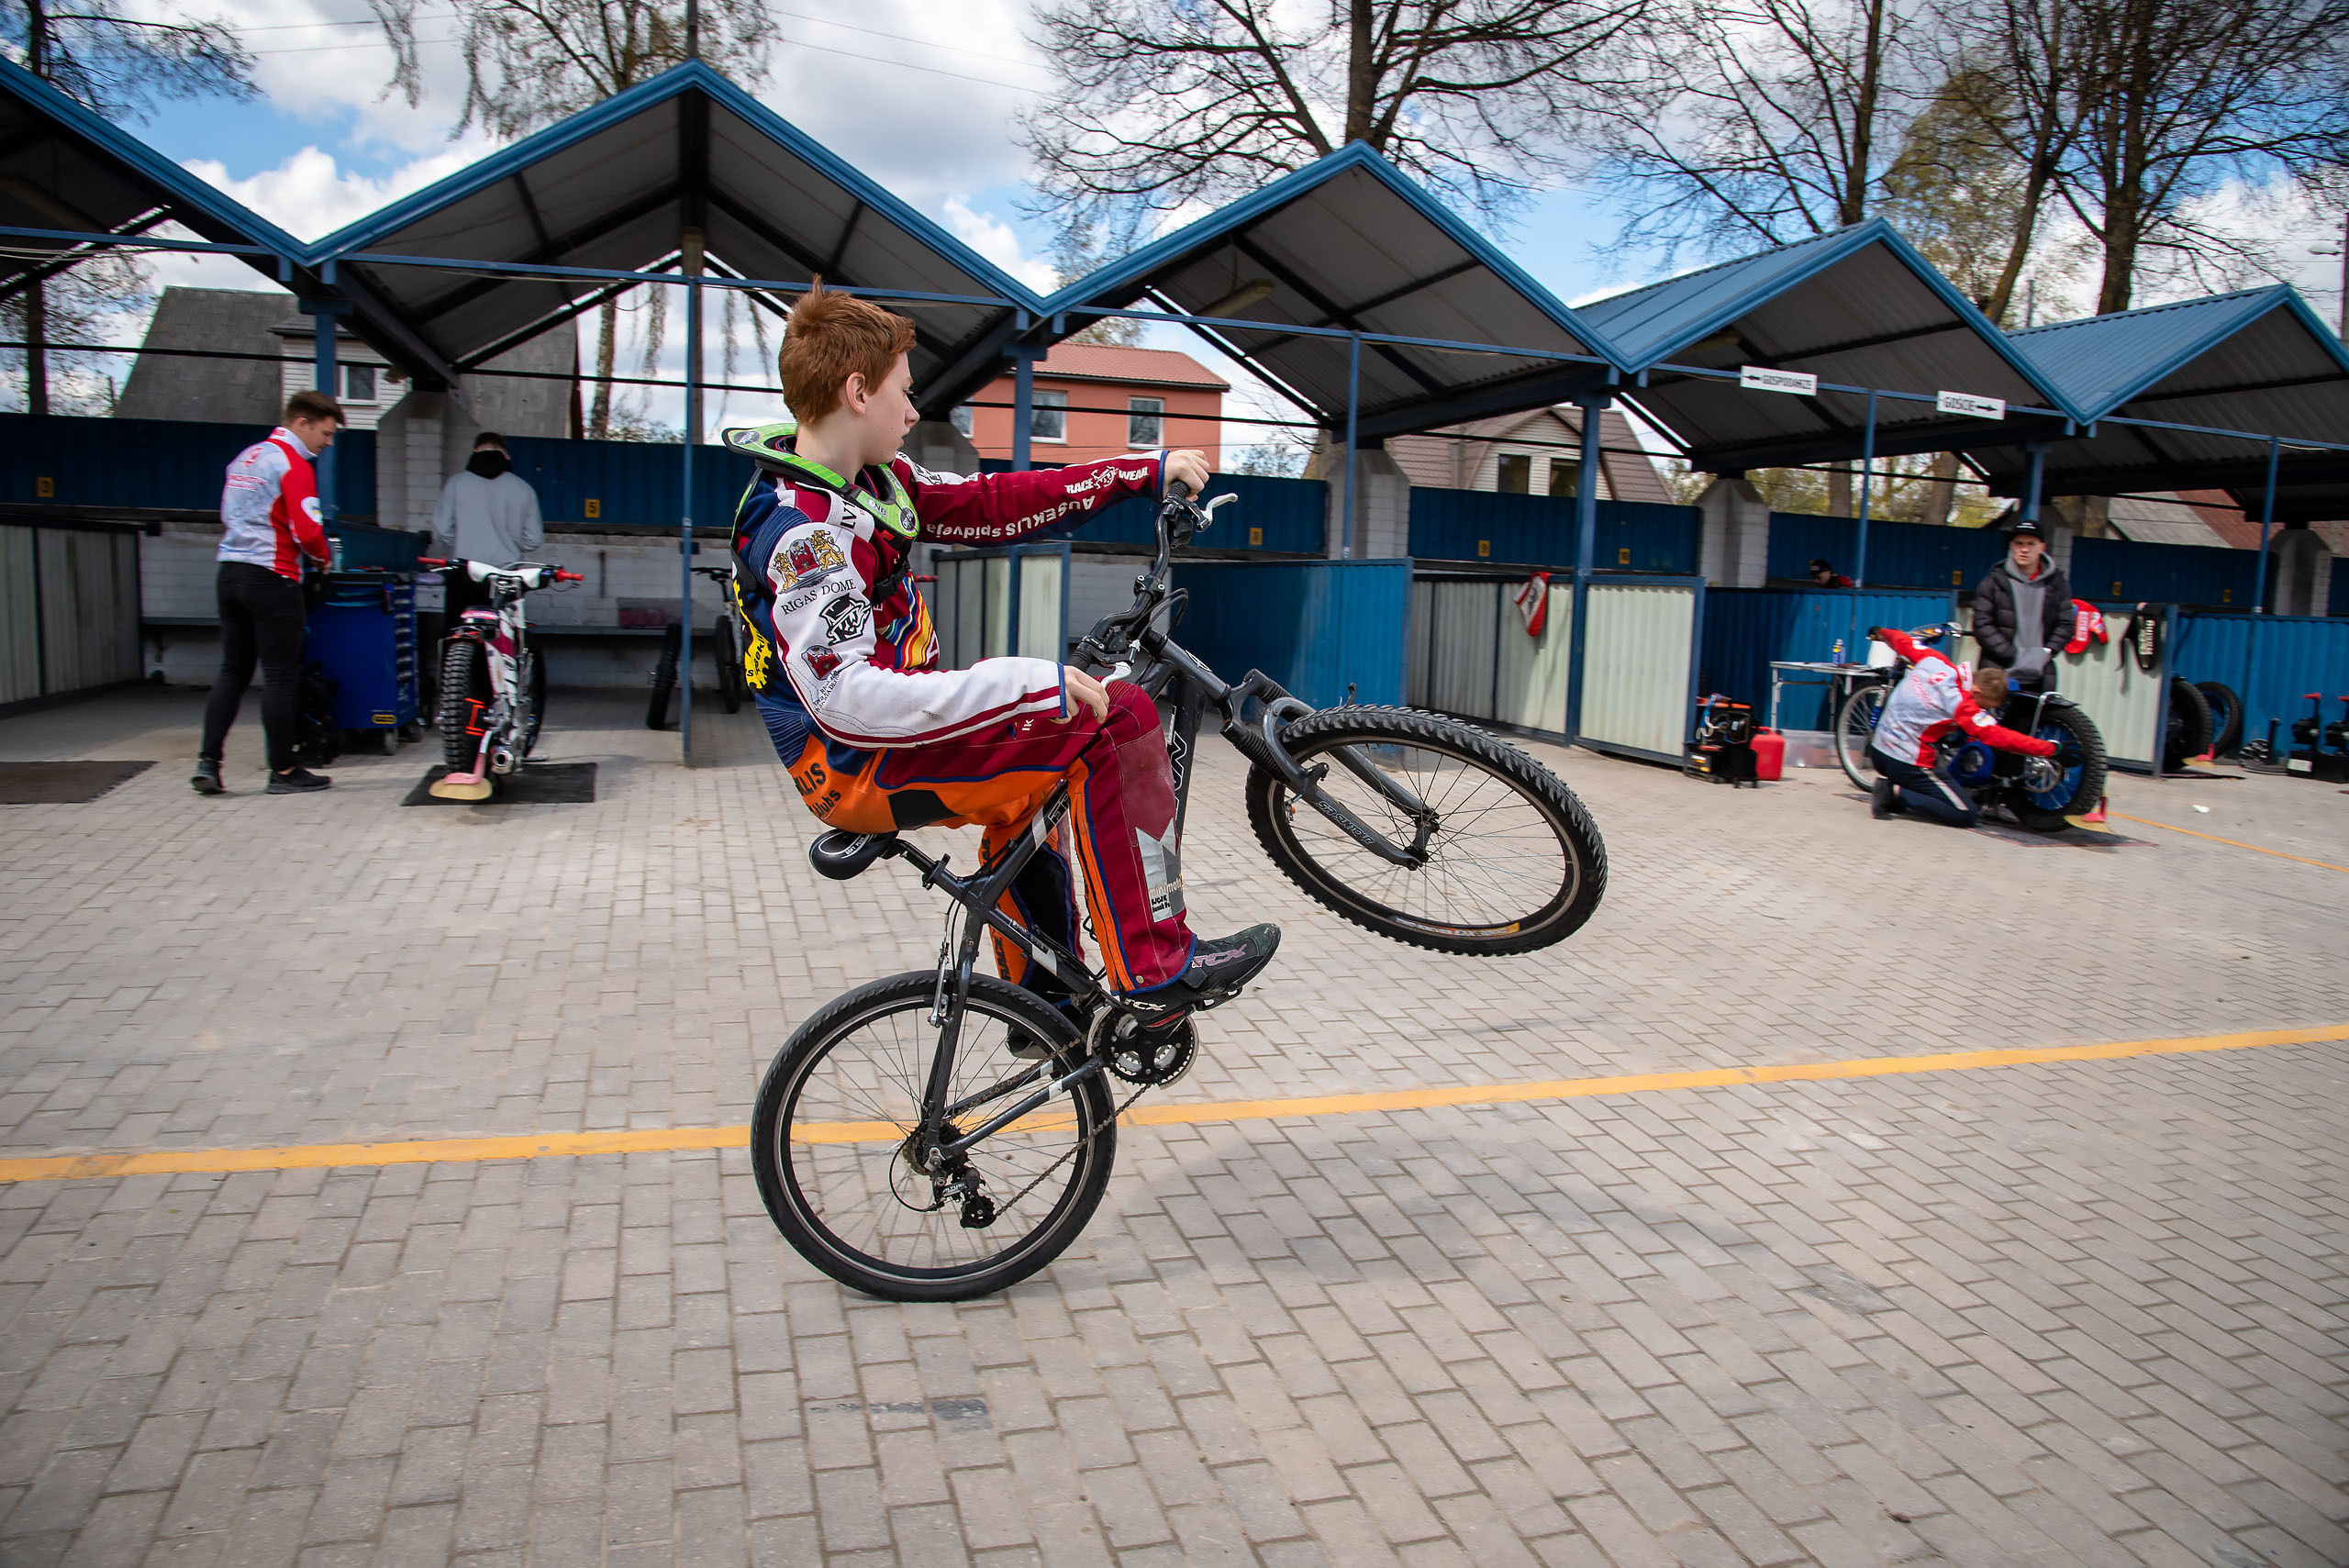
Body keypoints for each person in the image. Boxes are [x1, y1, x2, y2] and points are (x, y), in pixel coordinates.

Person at [729, 283, 1278, 1037]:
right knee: (1116, 717)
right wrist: (1026, 684)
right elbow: (848, 698)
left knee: (1036, 786)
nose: (915, 411)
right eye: (904, 392)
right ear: (858, 392)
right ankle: (1156, 967)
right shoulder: (804, 533)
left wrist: (1138, 473)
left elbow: (997, 503)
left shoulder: (877, 483)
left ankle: (1044, 1001)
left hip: (882, 738)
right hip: (855, 758)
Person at [191, 390, 343, 796]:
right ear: (302, 423)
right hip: (272, 577)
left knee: (232, 671)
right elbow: (308, 530)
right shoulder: (292, 464)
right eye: (325, 434)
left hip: (230, 574)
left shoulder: (245, 458)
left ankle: (208, 763)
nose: (327, 443)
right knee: (280, 676)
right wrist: (322, 558)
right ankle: (284, 771)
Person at [1863, 625, 2056, 827]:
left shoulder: (1935, 662)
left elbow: (1903, 642)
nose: (1981, 710)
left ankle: (1902, 785)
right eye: (1984, 706)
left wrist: (1881, 632)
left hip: (1878, 749)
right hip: (1904, 762)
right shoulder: (1962, 705)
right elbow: (1999, 737)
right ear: (1978, 691)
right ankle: (1895, 792)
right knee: (1965, 813)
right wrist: (2050, 749)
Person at [429, 430, 543, 625]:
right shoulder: (523, 489)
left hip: (464, 572)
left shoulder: (456, 483)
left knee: (458, 633)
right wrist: (510, 544)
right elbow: (533, 539)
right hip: (505, 577)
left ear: (474, 452)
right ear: (506, 456)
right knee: (504, 634)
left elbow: (442, 528)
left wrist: (461, 542)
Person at [1970, 516, 2075, 695]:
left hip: (2041, 673)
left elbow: (2065, 623)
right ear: (2011, 546)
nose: (2024, 549)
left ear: (2042, 547)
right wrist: (2010, 653)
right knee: (1991, 723)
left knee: (2036, 722)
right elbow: (1982, 624)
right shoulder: (1994, 581)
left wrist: (2046, 652)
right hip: (1997, 672)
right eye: (2018, 543)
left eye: (2030, 544)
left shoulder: (2057, 583)